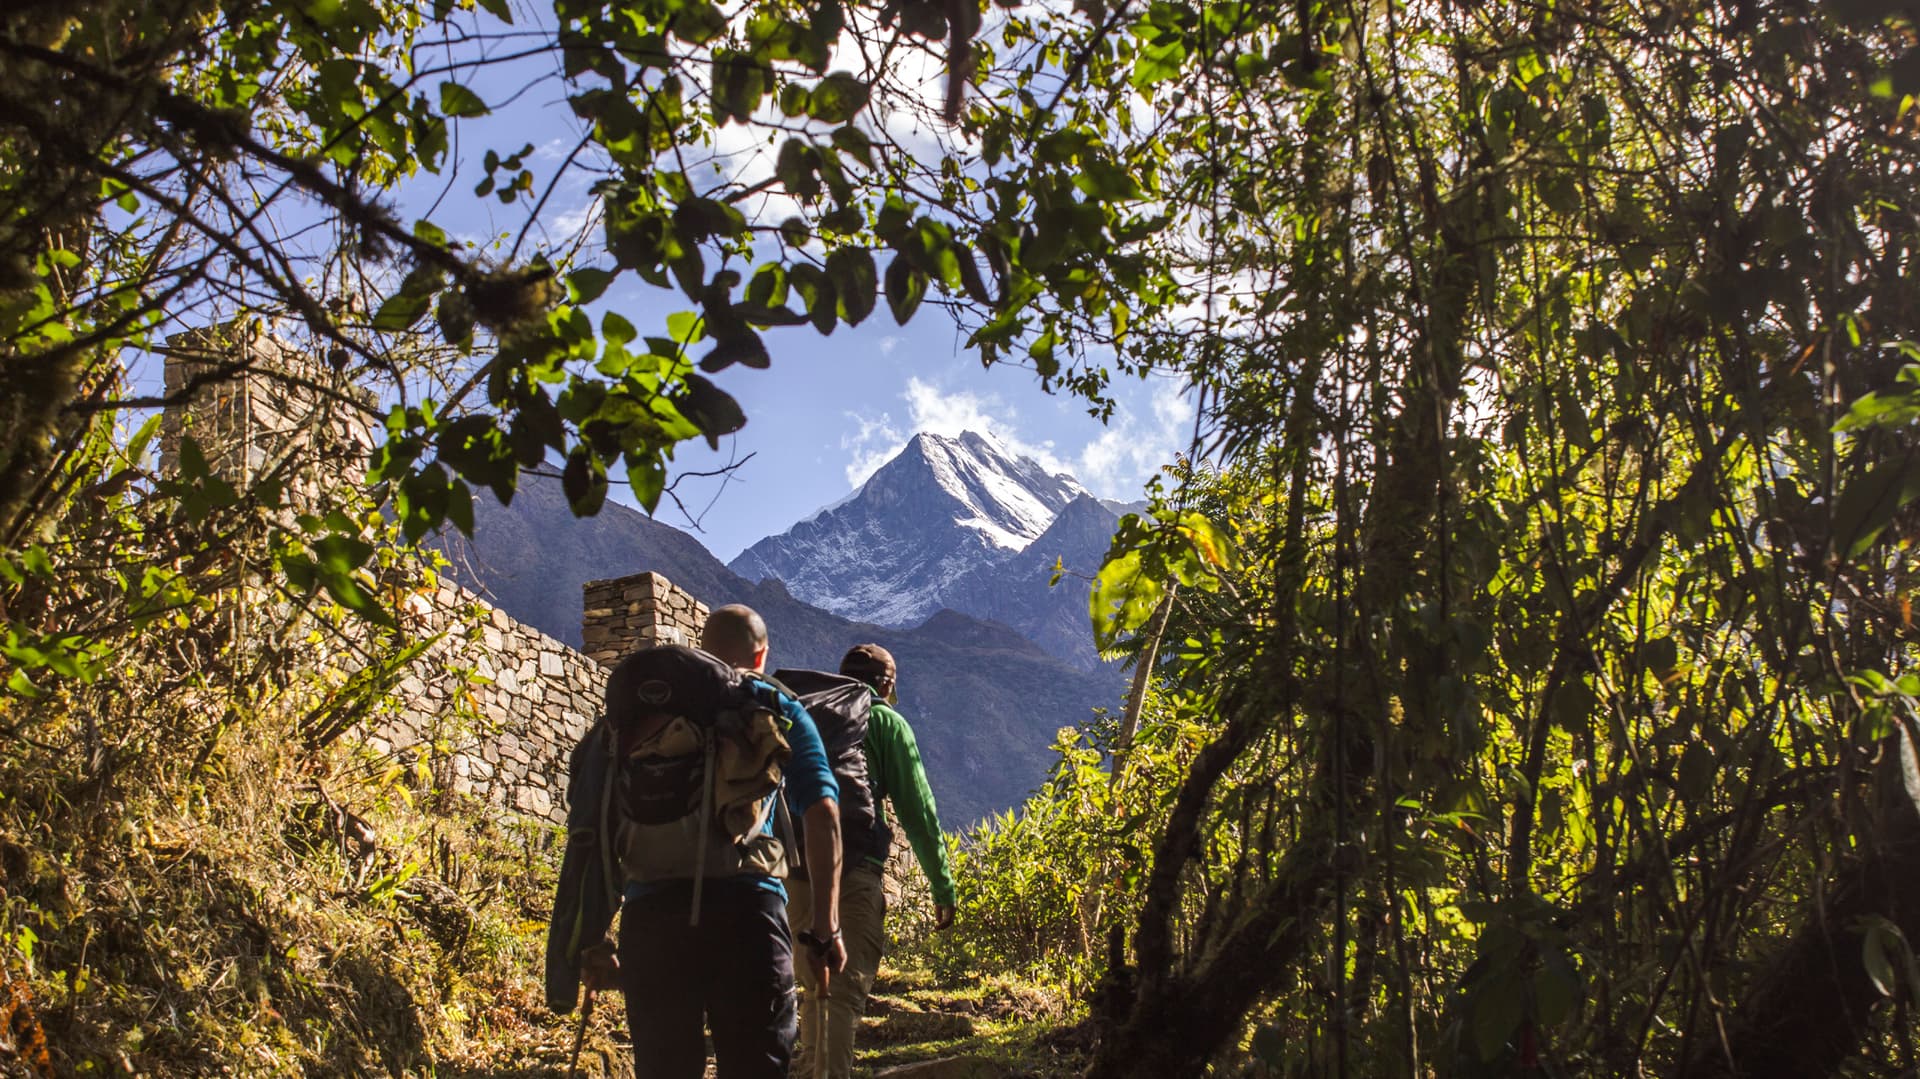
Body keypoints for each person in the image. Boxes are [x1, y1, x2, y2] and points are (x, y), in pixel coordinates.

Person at [581, 605, 846, 1079]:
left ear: (702, 650)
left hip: (651, 919)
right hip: (747, 914)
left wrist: (588, 936)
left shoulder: (640, 715)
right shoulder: (768, 701)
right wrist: (825, 929)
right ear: (761, 654)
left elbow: (590, 825)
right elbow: (823, 811)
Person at [788, 643, 957, 1079]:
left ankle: (811, 1069)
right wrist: (942, 884)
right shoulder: (885, 722)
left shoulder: (804, 718)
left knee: (810, 986)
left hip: (793, 871)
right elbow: (918, 811)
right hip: (854, 869)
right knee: (841, 991)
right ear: (886, 684)